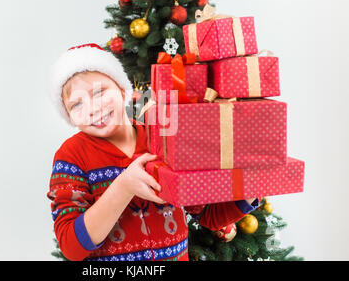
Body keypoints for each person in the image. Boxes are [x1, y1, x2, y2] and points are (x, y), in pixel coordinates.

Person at [46, 43, 259, 261]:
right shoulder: (71, 156)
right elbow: (72, 246)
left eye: (99, 92)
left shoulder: (162, 137)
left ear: (122, 90)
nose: (92, 108)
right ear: (69, 117)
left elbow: (207, 214)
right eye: (76, 105)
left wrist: (256, 178)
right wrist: (124, 187)